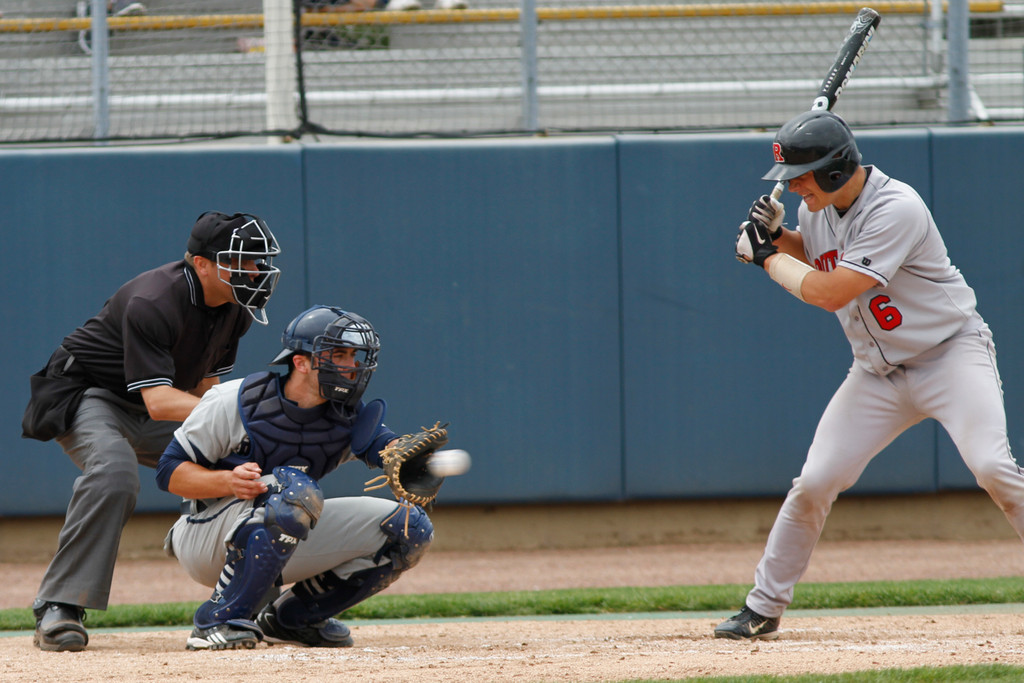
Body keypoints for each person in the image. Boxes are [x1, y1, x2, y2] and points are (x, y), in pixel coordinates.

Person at [721, 110, 1024, 640]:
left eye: (802, 177)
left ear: (836, 172)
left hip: (950, 356)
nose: (793, 188)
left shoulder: (896, 207)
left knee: (993, 468)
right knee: (814, 482)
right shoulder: (820, 209)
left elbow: (830, 291)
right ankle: (762, 608)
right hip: (877, 373)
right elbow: (822, 258)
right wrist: (780, 236)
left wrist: (766, 257)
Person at [22, 211, 282, 652]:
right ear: (202, 264)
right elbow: (160, 402)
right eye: (242, 262)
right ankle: (59, 604)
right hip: (89, 394)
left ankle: (253, 599)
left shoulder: (233, 308)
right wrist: (240, 413)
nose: (254, 272)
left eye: (257, 262)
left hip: (153, 402)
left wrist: (234, 436)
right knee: (114, 473)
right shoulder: (155, 299)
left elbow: (204, 389)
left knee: (245, 463)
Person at [156, 305, 437, 651]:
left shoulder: (347, 414)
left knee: (410, 528)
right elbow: (169, 472)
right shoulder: (234, 401)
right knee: (294, 491)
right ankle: (218, 619)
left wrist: (414, 462)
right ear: (301, 361)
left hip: (280, 523)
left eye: (354, 355)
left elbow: (385, 447)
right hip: (206, 531)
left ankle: (293, 618)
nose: (351, 365)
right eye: (338, 354)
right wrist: (226, 481)